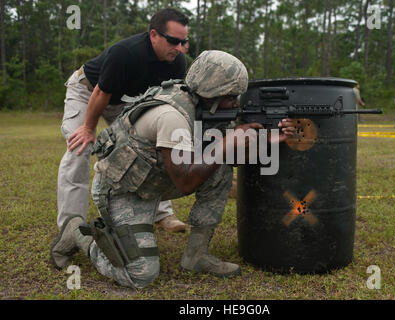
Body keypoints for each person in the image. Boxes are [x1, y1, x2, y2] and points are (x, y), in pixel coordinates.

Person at [50, 50, 296, 288]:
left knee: (219, 169)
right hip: (122, 190)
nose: (236, 103)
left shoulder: (203, 104)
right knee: (141, 275)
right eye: (232, 96)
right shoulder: (172, 116)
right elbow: (185, 182)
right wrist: (225, 144)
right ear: (213, 92)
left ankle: (196, 256)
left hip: (154, 181)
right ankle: (77, 234)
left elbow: (229, 154)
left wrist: (273, 137)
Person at [57, 8, 189, 234]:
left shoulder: (177, 62)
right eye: (173, 41)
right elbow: (100, 92)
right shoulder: (126, 52)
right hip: (87, 92)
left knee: (153, 146)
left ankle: (162, 214)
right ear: (154, 35)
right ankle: (71, 228)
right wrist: (89, 128)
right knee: (79, 149)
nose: (179, 48)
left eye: (183, 42)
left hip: (124, 101)